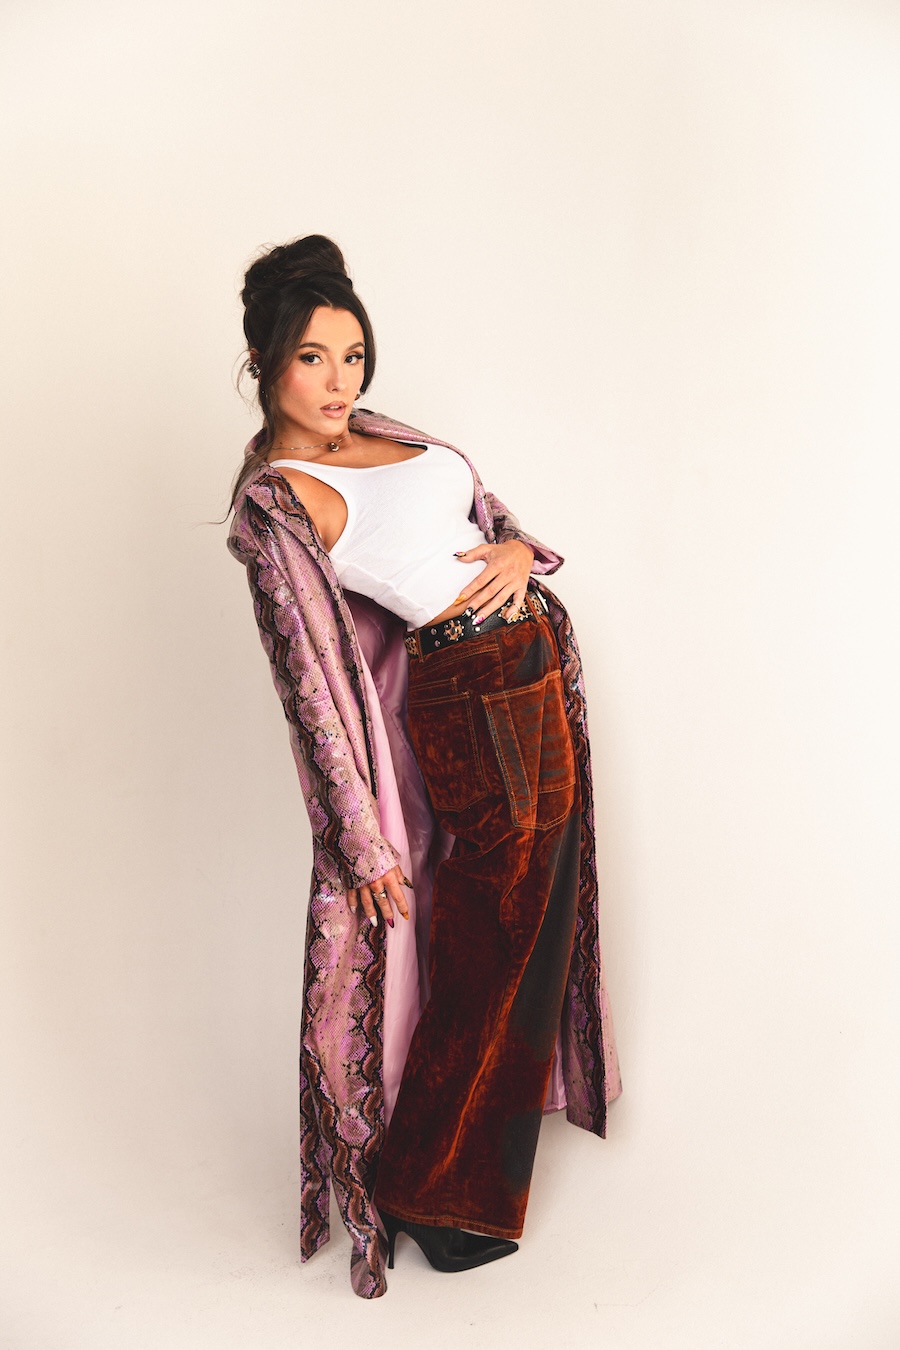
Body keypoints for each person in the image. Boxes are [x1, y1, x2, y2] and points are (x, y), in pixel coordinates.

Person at [226, 234, 621, 1300]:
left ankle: (450, 1178)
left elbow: (479, 519)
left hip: (530, 670)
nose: (339, 382)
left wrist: (517, 548)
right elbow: (308, 682)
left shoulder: (387, 435)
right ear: (264, 362)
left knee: (527, 929)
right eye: (312, 358)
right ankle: (430, 1192)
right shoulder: (280, 502)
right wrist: (359, 841)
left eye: (353, 356)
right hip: (473, 693)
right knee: (492, 940)